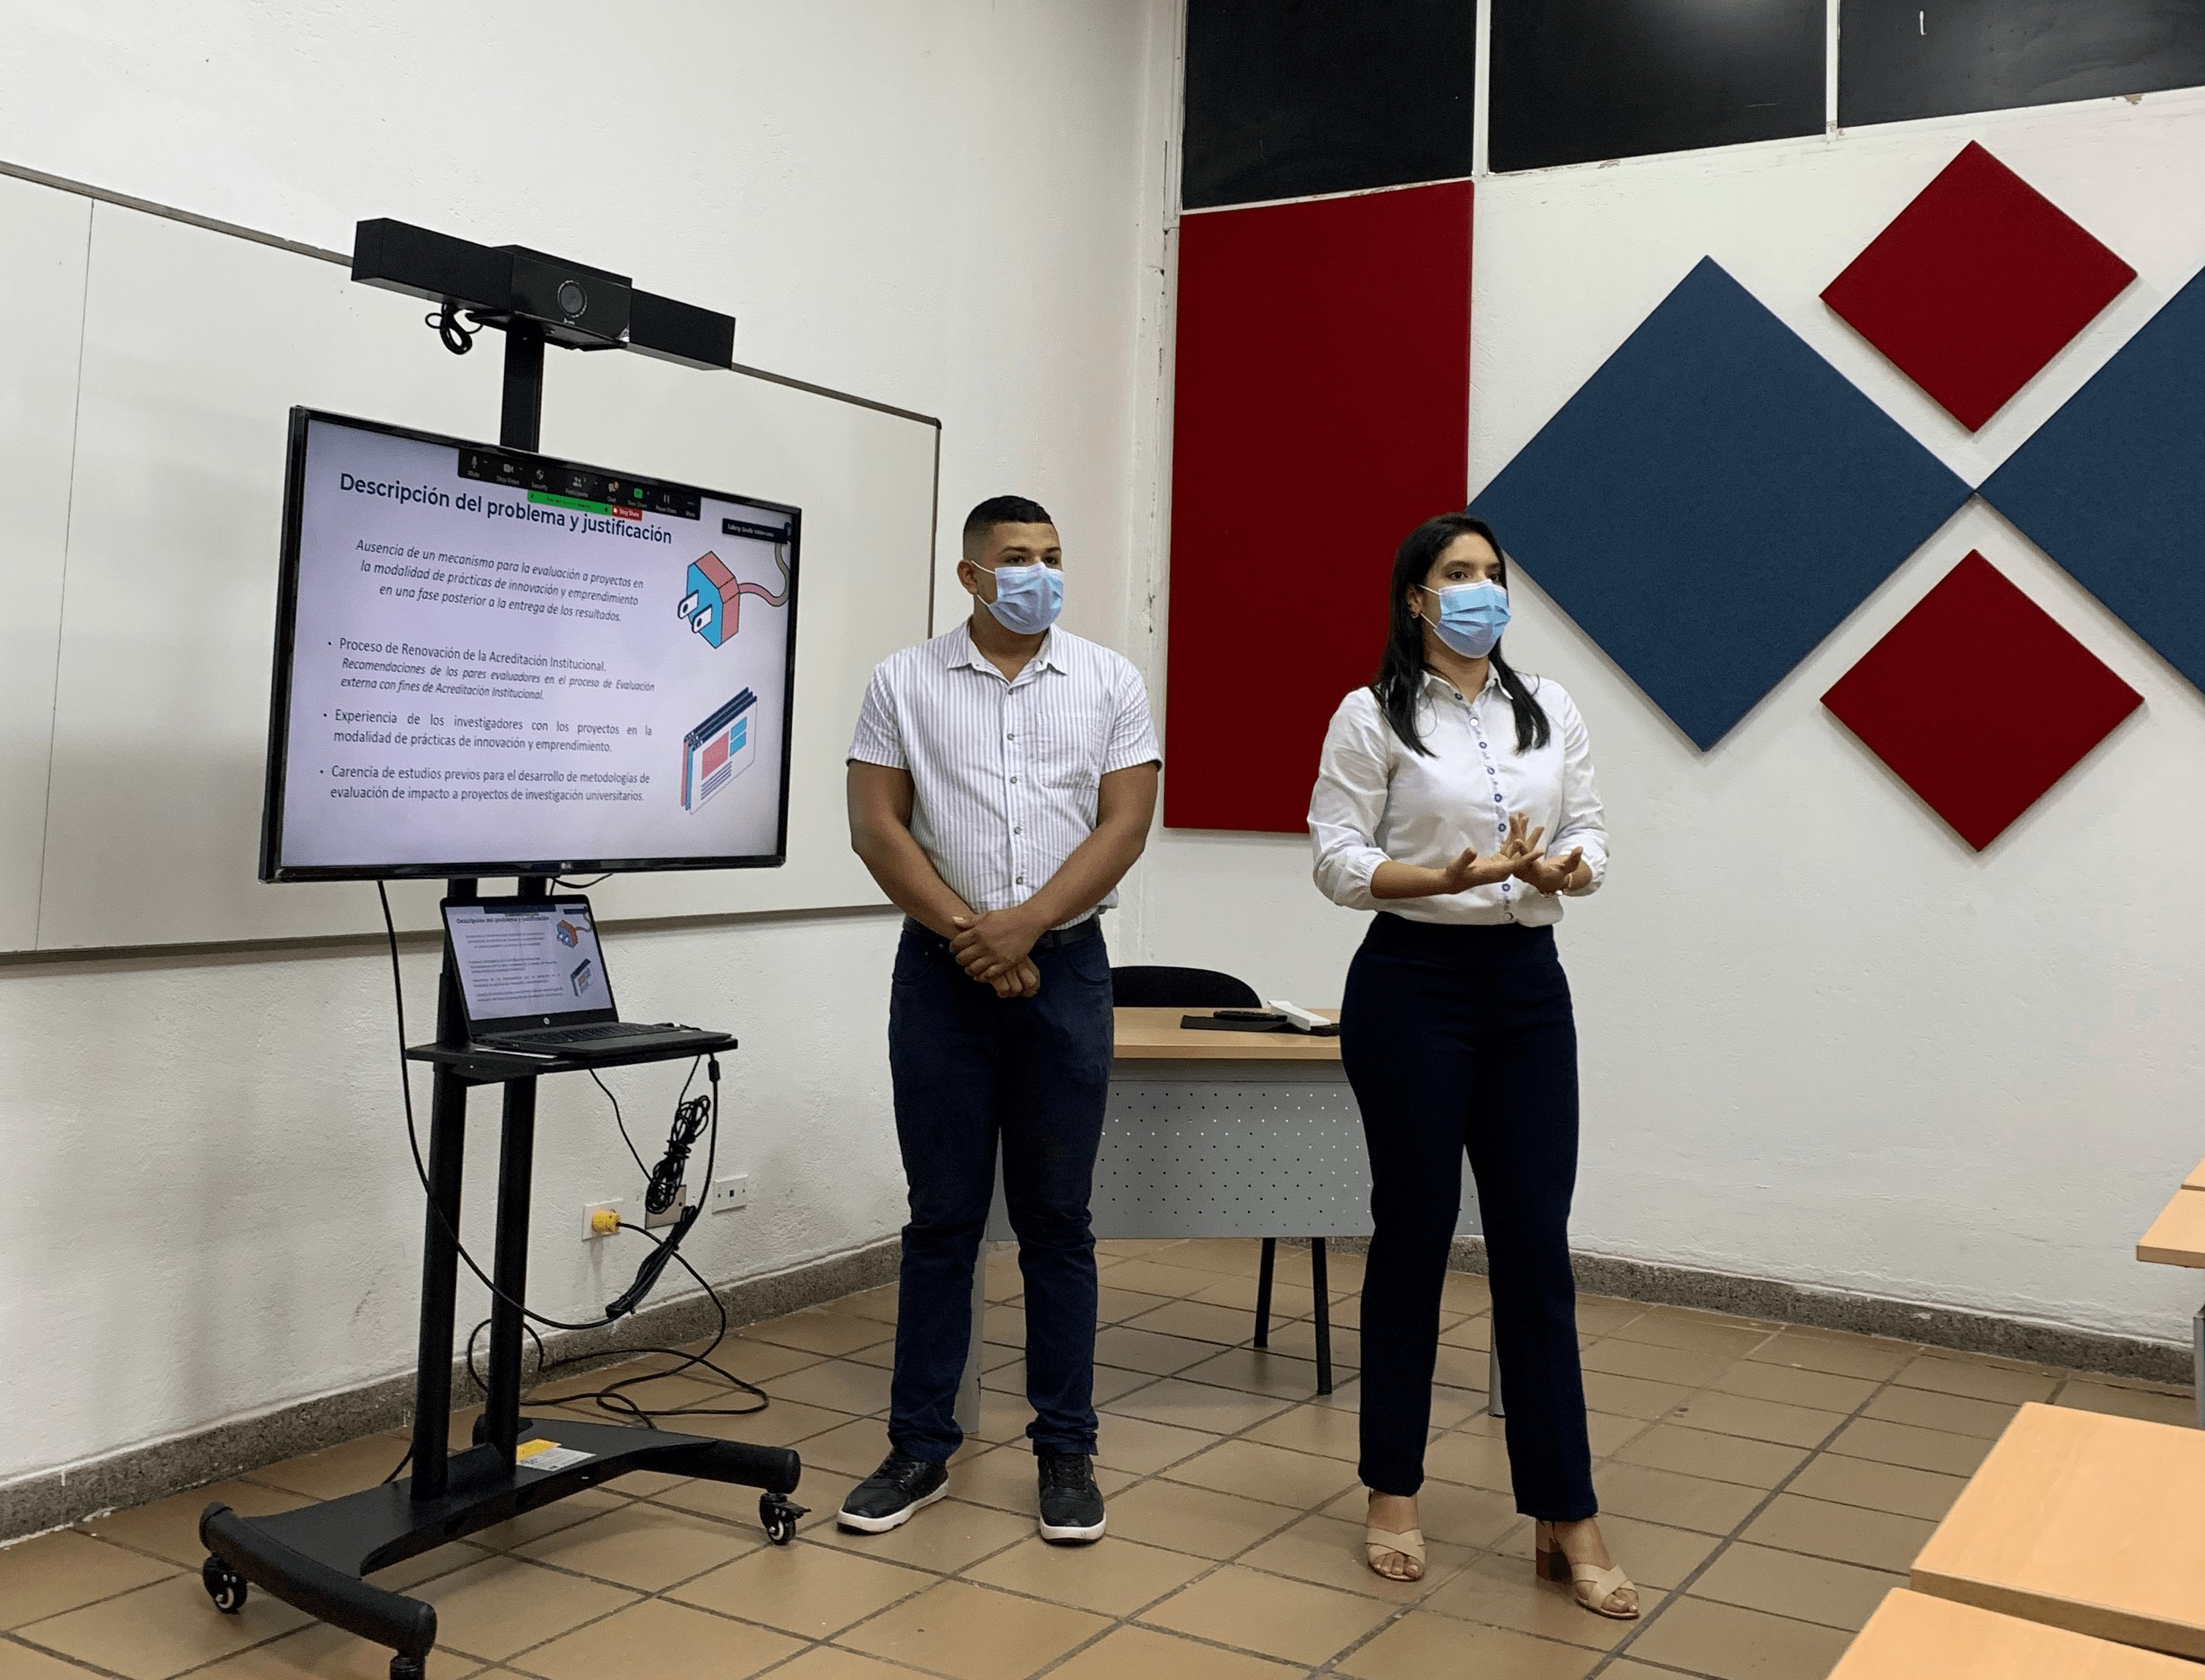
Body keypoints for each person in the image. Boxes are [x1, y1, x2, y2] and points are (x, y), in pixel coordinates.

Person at [1307, 511, 1635, 1618]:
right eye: (1457, 574)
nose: (1479, 590)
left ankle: (1565, 1509)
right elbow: (1339, 862)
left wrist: (1572, 869)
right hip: (1412, 986)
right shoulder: (1372, 715)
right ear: (1415, 598)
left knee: (1537, 1248)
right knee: (1413, 1237)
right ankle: (1391, 1490)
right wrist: (1439, 879)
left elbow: (1591, 829)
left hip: (1529, 992)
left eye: (1492, 574)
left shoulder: (1551, 710)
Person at [841, 494, 1161, 1544]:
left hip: (1065, 974)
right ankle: (920, 1447)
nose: (1040, 573)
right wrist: (972, 935)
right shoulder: (904, 681)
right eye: (1017, 558)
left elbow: (1124, 827)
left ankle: (1065, 1452)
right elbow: (876, 827)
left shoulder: (1110, 680)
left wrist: (1025, 928)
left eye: (1053, 557)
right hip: (941, 978)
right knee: (942, 1222)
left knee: (1057, 1225)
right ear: (972, 576)